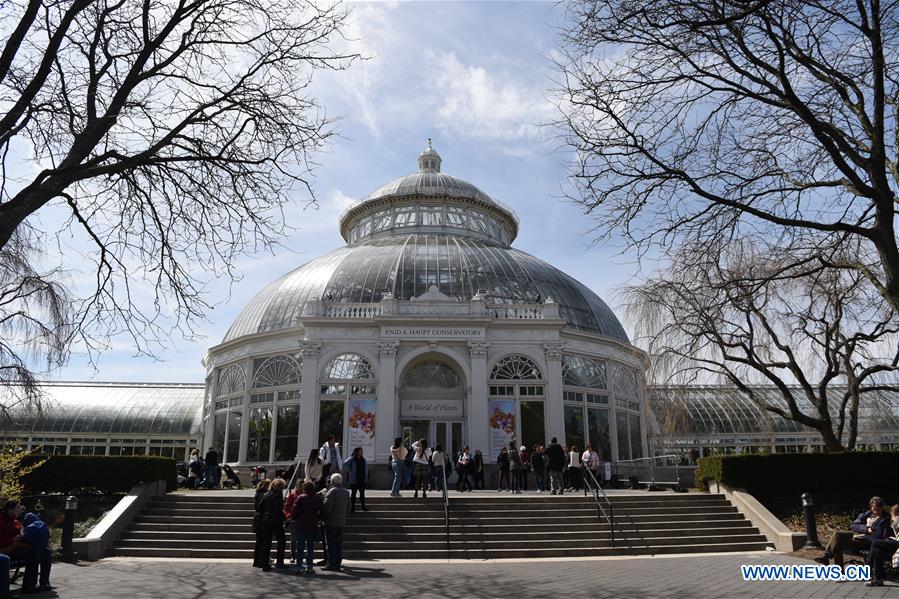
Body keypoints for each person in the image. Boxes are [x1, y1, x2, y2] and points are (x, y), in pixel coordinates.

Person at [814, 496, 891, 569]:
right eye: (874, 509)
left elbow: (883, 535)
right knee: (837, 538)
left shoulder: (885, 519)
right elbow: (853, 525)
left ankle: (826, 556)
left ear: (882, 508)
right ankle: (839, 571)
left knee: (837, 541)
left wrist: (870, 532)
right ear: (871, 507)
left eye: (878, 510)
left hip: (868, 541)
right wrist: (866, 529)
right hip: (859, 535)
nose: (876, 512)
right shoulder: (867, 514)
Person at [290, 481, 324, 576]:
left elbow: (294, 511)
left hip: (300, 524)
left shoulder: (300, 497)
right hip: (312, 525)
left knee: (299, 546)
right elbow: (322, 510)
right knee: (310, 547)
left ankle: (298, 566)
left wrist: (295, 518)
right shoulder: (317, 498)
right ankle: (309, 566)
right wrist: (318, 519)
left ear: (304, 488)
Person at [322, 473, 351, 571]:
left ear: (332, 481)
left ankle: (331, 563)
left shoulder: (331, 492)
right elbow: (349, 507)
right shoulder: (346, 492)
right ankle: (338, 563)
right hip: (341, 522)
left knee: (330, 544)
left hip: (331, 522)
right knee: (339, 544)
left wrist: (323, 518)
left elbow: (327, 508)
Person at [865, 503, 899, 587]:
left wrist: (895, 520)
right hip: (895, 542)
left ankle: (867, 567)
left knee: (875, 542)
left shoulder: (897, 519)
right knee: (877, 550)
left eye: (892, 514)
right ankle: (879, 578)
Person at [258, 478, 288, 571]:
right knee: (281, 541)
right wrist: (285, 518)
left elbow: (259, 507)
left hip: (266, 520)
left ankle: (265, 563)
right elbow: (278, 509)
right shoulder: (278, 495)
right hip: (276, 520)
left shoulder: (266, 494)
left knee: (267, 542)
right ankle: (280, 562)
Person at [18, 512, 51, 593]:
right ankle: (37, 584)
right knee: (39, 553)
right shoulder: (41, 524)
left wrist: (21, 538)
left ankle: (36, 583)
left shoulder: (30, 525)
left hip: (31, 547)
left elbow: (26, 538)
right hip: (32, 548)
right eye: (17, 508)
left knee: (43, 553)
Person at [342, 447, 369, 512]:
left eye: (362, 451)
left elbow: (366, 468)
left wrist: (366, 477)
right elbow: (345, 464)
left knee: (362, 493)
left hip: (362, 479)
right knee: (353, 493)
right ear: (357, 452)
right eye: (360, 451)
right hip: (354, 479)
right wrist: (349, 471)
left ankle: (363, 506)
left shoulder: (363, 459)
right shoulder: (352, 459)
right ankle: (352, 507)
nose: (361, 452)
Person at [252, 479, 270, 567]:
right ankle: (261, 562)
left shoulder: (257, 494)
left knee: (258, 541)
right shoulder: (265, 494)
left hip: (257, 518)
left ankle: (256, 561)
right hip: (263, 518)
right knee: (263, 541)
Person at [284, 479, 303, 564]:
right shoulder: (292, 495)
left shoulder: (305, 495)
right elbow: (287, 507)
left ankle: (300, 555)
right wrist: (288, 516)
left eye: (301, 486)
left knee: (301, 539)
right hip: (294, 520)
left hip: (302, 520)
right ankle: (293, 555)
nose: (299, 487)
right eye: (298, 485)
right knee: (294, 538)